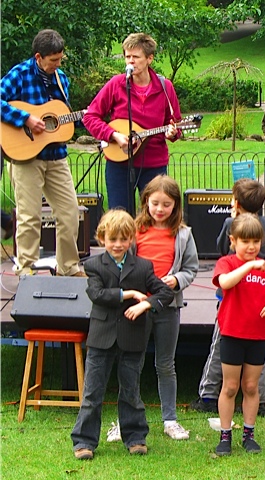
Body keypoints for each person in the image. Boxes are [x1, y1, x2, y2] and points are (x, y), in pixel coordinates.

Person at [70, 209, 174, 460]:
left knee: (130, 390)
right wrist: (127, 294)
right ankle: (84, 441)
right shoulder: (93, 265)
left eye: (123, 239)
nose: (117, 245)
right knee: (93, 392)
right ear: (102, 239)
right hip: (101, 337)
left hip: (133, 337)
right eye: (112, 239)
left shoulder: (143, 266)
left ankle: (135, 436)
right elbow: (97, 295)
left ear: (131, 240)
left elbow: (165, 293)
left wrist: (145, 304)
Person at [1, 29, 83, 277]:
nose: (57, 64)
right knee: (29, 216)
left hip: (56, 156)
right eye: (53, 60)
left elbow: (61, 118)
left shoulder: (61, 78)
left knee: (70, 213)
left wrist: (84, 117)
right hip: (26, 158)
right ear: (39, 57)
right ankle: (25, 267)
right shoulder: (20, 74)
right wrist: (25, 119)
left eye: (60, 59)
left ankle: (68, 266)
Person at [191, 178, 265, 415]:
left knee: (220, 345)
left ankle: (207, 394)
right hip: (257, 292)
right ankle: (261, 400)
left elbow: (221, 249)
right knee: (258, 350)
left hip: (232, 296)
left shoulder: (231, 223)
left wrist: (233, 217)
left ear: (235, 202)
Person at [213, 214, 265, 455]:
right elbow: (225, 283)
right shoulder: (227, 263)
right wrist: (248, 265)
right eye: (245, 241)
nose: (251, 247)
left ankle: (249, 434)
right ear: (233, 241)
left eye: (256, 241)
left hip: (257, 336)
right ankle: (225, 435)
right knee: (230, 386)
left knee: (250, 386)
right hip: (232, 334)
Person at [83, 33, 182, 211]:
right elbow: (90, 116)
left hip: (153, 164)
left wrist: (173, 133)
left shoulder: (165, 87)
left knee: (154, 216)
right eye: (127, 57)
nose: (130, 62)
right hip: (119, 163)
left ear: (149, 58)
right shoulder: (116, 84)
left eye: (135, 57)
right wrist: (113, 135)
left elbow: (175, 123)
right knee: (120, 217)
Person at [135, 175, 198, 440]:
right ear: (145, 202)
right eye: (155, 203)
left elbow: (191, 268)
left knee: (165, 364)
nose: (160, 209)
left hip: (168, 306)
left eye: (166, 204)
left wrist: (177, 279)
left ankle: (170, 419)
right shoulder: (134, 231)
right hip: (137, 307)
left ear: (176, 206)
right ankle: (126, 417)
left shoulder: (183, 234)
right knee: (132, 364)